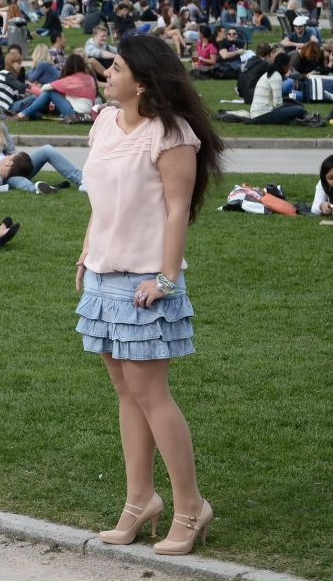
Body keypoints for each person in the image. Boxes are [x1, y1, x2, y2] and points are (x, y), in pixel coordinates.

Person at [75, 34, 224, 556]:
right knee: (126, 392)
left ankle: (190, 506)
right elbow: (100, 200)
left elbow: (177, 210)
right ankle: (140, 501)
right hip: (103, 275)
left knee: (151, 393)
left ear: (142, 80)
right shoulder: (102, 123)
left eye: (114, 67)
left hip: (145, 282)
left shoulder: (171, 133)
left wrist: (163, 280)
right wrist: (85, 252)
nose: (105, 73)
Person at [15, 53, 98, 122]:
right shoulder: (89, 78)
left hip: (75, 114)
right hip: (86, 114)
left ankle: (23, 114)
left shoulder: (71, 79)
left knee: (50, 92)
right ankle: (27, 113)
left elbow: (45, 88)